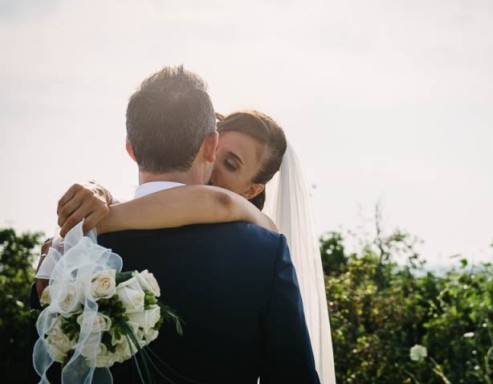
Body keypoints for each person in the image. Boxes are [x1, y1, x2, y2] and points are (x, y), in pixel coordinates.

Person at [33, 66, 320, 383]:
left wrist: (77, 235)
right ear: (210, 146)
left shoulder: (67, 255)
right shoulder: (264, 252)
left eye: (232, 164)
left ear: (130, 148)